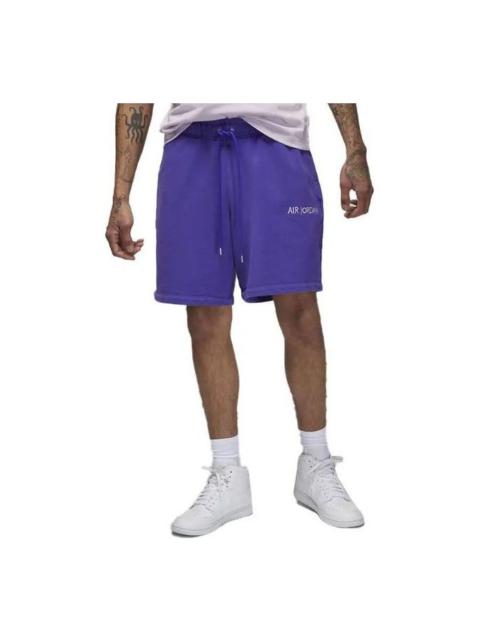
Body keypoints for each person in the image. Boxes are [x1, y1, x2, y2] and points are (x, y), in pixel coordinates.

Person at [106, 103, 374, 536]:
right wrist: (121, 193)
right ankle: (227, 472)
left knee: (299, 306)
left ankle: (316, 462)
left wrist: (355, 150)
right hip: (191, 145)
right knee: (205, 314)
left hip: (278, 144)